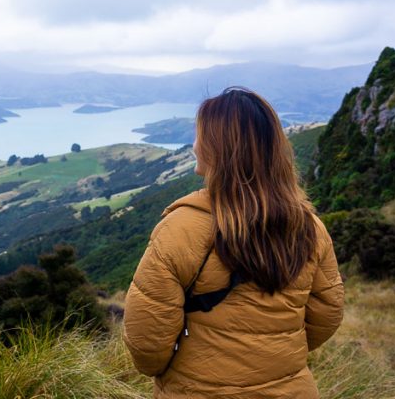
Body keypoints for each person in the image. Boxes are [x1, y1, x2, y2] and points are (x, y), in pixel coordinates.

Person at [124, 87, 344, 398]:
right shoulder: (309, 228)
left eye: (200, 137)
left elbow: (147, 341)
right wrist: (275, 353)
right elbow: (327, 315)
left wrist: (184, 368)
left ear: (217, 149)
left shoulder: (180, 229)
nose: (194, 145)